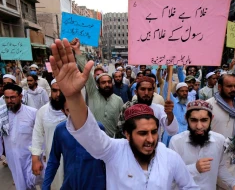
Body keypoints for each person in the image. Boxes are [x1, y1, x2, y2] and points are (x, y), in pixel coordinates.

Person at [48, 39, 199, 189]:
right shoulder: (114, 150)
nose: (151, 139)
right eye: (142, 133)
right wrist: (73, 96)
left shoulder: (169, 157)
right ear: (127, 134)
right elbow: (89, 133)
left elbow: (190, 186)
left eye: (154, 131)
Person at [169, 100, 235, 190]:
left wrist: (233, 183)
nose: (199, 126)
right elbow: (171, 175)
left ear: (211, 119)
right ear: (186, 119)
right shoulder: (176, 141)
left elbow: (220, 167)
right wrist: (194, 168)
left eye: (204, 120)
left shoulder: (219, 140)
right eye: (194, 120)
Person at [42, 96, 106, 190]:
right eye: (68, 110)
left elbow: (107, 159)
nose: (74, 114)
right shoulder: (60, 130)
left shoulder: (97, 128)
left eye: (76, 109)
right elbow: (53, 160)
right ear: (63, 111)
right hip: (70, 184)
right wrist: (45, 186)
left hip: (96, 185)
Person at [72, 39, 123, 138]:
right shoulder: (92, 93)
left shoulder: (118, 100)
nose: (107, 84)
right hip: (94, 140)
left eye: (109, 82)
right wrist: (77, 50)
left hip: (113, 142)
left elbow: (122, 122)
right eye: (103, 82)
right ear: (97, 84)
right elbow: (86, 71)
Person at [0, 84, 42, 189]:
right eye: (7, 98)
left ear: (20, 97)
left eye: (12, 97)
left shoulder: (32, 113)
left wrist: (40, 156)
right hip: (13, 158)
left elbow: (40, 135)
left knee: (36, 181)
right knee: (22, 186)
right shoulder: (2, 114)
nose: (9, 100)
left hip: (30, 157)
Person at [206, 74, 235, 189]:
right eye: (229, 86)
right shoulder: (209, 105)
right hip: (214, 155)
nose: (233, 89)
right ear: (220, 87)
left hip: (233, 155)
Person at [30, 79, 67, 190]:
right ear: (50, 91)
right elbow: (37, 135)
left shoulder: (75, 110)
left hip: (73, 157)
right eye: (55, 90)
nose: (58, 94)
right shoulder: (43, 111)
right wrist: (35, 159)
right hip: (53, 158)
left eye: (62, 91)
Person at [117, 76, 178, 140]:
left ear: (153, 92)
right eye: (143, 89)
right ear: (136, 92)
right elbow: (121, 131)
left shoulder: (159, 109)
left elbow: (172, 131)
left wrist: (169, 114)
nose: (146, 93)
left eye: (149, 90)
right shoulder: (128, 108)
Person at [162, 82, 189, 146]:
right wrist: (168, 77)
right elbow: (166, 90)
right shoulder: (172, 102)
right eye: (182, 91)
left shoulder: (189, 105)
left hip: (185, 138)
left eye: (186, 91)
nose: (184, 93)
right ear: (177, 92)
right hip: (172, 136)